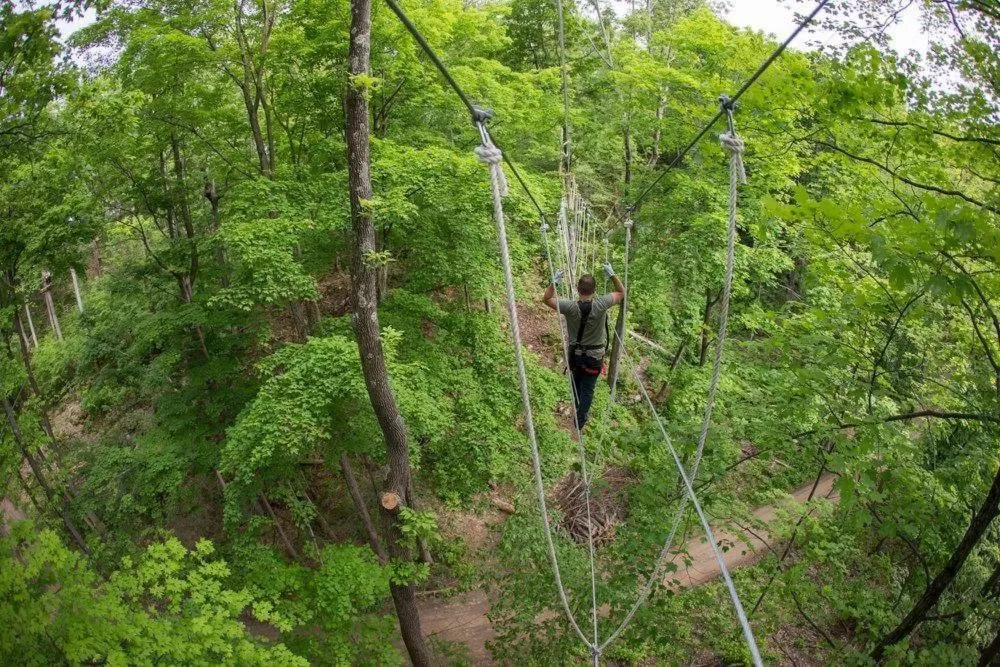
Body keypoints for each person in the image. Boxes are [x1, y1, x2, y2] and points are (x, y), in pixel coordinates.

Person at [542, 263, 625, 429]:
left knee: (576, 384)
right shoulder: (602, 304)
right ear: (594, 290)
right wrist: (612, 275)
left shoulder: (570, 307)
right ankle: (580, 418)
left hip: (576, 356)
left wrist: (554, 282)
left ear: (577, 289)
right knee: (588, 388)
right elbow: (622, 293)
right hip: (594, 357)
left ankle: (578, 408)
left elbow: (546, 299)